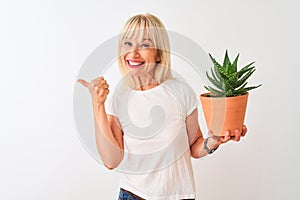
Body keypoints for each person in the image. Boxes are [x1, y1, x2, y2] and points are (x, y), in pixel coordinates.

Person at [77, 13, 247, 200]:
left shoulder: (181, 91)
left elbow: (194, 147)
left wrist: (213, 142)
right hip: (133, 195)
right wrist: (98, 104)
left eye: (145, 45)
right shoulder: (120, 96)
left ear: (158, 53)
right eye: (128, 43)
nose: (133, 53)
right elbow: (111, 161)